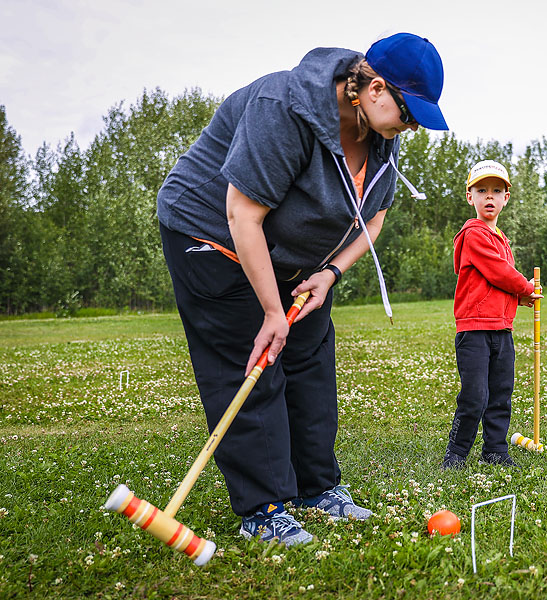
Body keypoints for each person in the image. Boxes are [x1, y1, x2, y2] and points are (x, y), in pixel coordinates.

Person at [156, 32, 448, 546]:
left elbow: (373, 220)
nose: (412, 126)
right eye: (408, 112)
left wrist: (330, 271)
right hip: (213, 235)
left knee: (311, 358)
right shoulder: (282, 107)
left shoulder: (381, 137)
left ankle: (318, 490)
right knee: (252, 361)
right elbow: (242, 214)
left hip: (297, 258)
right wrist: (271, 311)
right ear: (374, 88)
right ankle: (263, 508)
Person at [442, 160, 542, 470]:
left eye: (496, 191)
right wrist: (525, 287)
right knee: (475, 395)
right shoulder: (474, 234)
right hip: (474, 332)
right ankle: (456, 455)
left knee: (500, 394)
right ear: (469, 196)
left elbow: (498, 279)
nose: (489, 196)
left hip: (502, 330)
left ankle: (495, 450)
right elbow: (499, 272)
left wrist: (518, 297)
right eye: (481, 190)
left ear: (506, 198)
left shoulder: (500, 238)